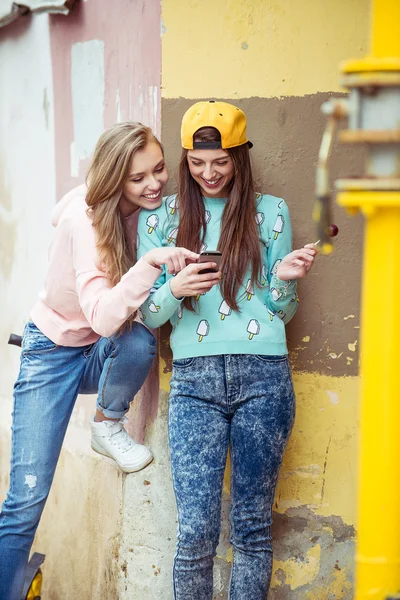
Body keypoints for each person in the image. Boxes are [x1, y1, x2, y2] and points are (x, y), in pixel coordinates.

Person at [0, 121, 198, 600]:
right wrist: (148, 267)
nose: (153, 184)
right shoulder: (84, 225)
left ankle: (108, 424)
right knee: (25, 497)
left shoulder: (151, 211)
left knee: (138, 342)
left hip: (100, 351)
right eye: (138, 178)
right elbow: (104, 315)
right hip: (50, 354)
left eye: (158, 169)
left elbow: (117, 331)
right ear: (114, 181)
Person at [137, 101, 317, 599]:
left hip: (265, 376)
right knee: (195, 532)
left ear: (239, 156)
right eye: (197, 162)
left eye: (220, 161)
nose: (209, 173)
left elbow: (280, 311)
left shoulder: (271, 211)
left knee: (253, 530)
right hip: (194, 383)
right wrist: (176, 289)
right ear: (185, 159)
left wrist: (282, 280)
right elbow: (147, 316)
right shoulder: (160, 221)